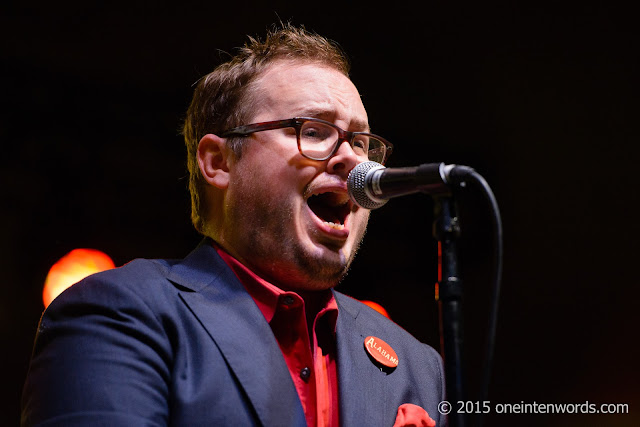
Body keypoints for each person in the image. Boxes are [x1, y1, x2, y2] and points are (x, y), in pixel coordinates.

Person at [21, 24, 446, 426]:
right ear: (219, 162)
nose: (354, 160)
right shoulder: (120, 313)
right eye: (314, 131)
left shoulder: (418, 366)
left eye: (360, 141)